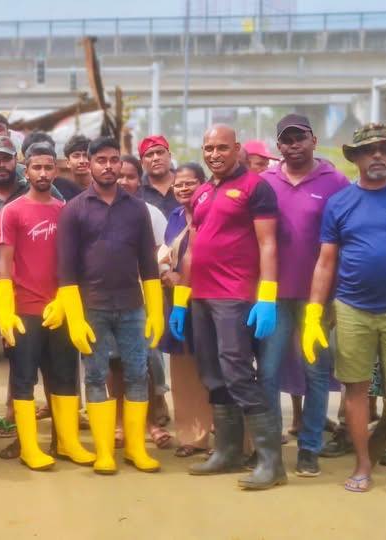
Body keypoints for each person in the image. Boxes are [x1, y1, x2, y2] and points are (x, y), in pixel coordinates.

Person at [302, 123, 386, 498]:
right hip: (352, 308)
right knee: (355, 390)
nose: (378, 156)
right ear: (355, 158)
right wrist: (313, 313)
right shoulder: (339, 203)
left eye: (384, 149)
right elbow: (326, 262)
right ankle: (362, 465)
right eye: (369, 150)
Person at [168, 124, 285, 490]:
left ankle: (271, 463)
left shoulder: (255, 187)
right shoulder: (202, 192)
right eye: (208, 148)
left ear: (237, 149)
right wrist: (181, 301)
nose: (214, 154)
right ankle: (228, 452)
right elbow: (193, 249)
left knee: (237, 372)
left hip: (235, 295)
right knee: (212, 374)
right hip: (200, 297)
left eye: (221, 147)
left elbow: (268, 244)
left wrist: (267, 296)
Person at [57, 136, 165, 474]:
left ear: (121, 163)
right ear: (89, 164)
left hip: (132, 306)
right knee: (96, 375)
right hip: (93, 307)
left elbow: (149, 264)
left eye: (114, 160)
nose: (108, 166)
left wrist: (155, 311)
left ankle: (135, 448)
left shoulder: (136, 208)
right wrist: (74, 317)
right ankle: (104, 450)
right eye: (101, 160)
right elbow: (65, 270)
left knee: (138, 373)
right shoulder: (74, 209)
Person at [257, 114, 350, 477]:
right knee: (267, 371)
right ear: (278, 146)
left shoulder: (335, 182)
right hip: (274, 297)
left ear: (314, 140)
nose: (293, 145)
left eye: (300, 138)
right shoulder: (266, 182)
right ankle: (269, 448)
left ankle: (310, 447)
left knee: (316, 372)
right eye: (286, 139)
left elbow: (346, 238)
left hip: (317, 299)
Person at [0, 143, 95, 471]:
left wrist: (66, 303)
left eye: (48, 167)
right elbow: (4, 263)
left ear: (57, 170)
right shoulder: (12, 211)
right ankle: (29, 447)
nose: (42, 173)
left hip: (60, 309)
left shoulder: (66, 210)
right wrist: (5, 310)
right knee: (24, 379)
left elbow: (74, 262)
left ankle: (67, 442)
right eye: (36, 167)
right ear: (26, 170)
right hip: (25, 309)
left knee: (65, 376)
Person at [116, 153, 172, 448]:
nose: (124, 181)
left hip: (144, 296)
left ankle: (150, 421)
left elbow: (162, 255)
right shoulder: (92, 209)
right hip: (106, 297)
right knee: (112, 362)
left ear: (140, 181)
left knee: (146, 360)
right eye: (120, 175)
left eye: (131, 176)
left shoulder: (150, 213)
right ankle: (118, 423)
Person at [158, 162, 213, 458]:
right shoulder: (176, 217)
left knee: (216, 367)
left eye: (190, 183)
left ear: (204, 184)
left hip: (210, 299)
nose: (182, 188)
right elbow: (166, 253)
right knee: (184, 371)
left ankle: (230, 438)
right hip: (179, 302)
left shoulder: (214, 213)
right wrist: (167, 273)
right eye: (178, 184)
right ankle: (193, 437)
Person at [22, 131, 83, 200]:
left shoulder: (71, 190)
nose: (43, 173)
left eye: (47, 152)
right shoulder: (17, 191)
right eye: (37, 167)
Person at [138, 135, 179, 217]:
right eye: (149, 155)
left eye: (160, 152)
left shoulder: (185, 182)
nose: (156, 158)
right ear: (141, 162)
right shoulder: (137, 189)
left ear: (169, 156)